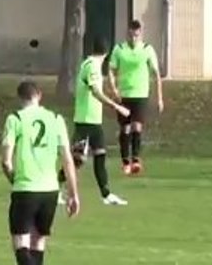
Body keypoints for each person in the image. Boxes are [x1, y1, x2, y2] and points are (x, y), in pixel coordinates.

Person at [1, 81, 80, 265]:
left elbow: (6, 159)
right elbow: (67, 160)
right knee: (39, 241)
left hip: (26, 188)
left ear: (20, 98)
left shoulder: (15, 119)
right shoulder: (56, 120)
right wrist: (74, 194)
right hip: (50, 190)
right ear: (40, 96)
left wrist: (13, 177)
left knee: (20, 242)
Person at [59, 38, 131, 206]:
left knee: (100, 156)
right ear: (106, 54)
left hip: (94, 121)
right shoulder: (91, 66)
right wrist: (116, 107)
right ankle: (55, 187)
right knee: (77, 159)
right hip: (85, 121)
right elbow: (96, 92)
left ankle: (106, 195)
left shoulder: (93, 66)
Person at [108, 20, 164, 175]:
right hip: (124, 95)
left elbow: (157, 74)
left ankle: (136, 159)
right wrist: (114, 90)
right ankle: (125, 161)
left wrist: (159, 98)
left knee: (137, 127)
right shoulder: (119, 49)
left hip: (140, 94)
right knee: (125, 128)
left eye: (136, 36)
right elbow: (111, 70)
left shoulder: (147, 49)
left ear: (141, 34)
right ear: (127, 34)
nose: (133, 39)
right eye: (131, 35)